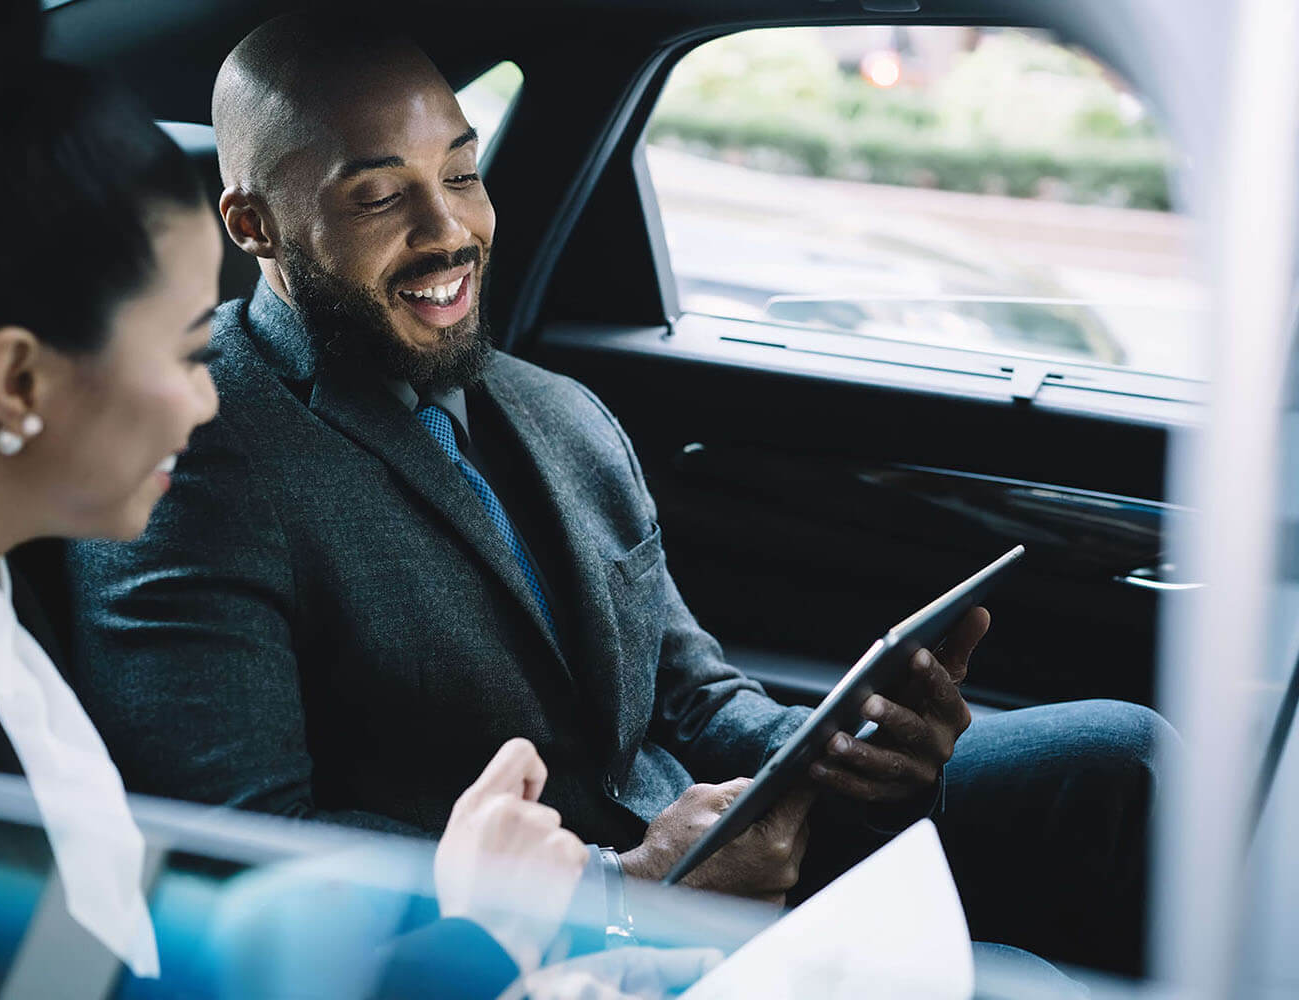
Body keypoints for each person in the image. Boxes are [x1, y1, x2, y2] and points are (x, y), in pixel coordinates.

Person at [68, 12, 1170, 974]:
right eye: (379, 197)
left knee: (1124, 757)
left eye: (461, 170)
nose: (449, 229)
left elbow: (691, 700)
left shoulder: (559, 413)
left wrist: (848, 753)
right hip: (521, 952)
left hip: (715, 856)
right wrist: (622, 887)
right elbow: (241, 847)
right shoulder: (193, 455)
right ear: (252, 223)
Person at [0, 26, 604, 997]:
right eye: (180, 350)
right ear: (18, 379)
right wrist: (472, 934)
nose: (209, 396)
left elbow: (107, 968)